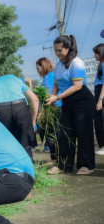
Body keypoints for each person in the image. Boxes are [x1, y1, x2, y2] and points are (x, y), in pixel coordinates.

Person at [46, 35, 95, 175]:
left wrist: (57, 97)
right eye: (55, 51)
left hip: (82, 100)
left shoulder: (76, 62)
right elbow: (56, 84)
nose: (57, 53)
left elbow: (77, 85)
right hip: (67, 101)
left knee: (83, 132)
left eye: (60, 50)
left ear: (68, 48)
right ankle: (64, 165)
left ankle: (86, 165)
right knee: (65, 133)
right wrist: (52, 96)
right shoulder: (59, 65)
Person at [0, 73, 39, 158]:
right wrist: (33, 122)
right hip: (20, 107)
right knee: (25, 145)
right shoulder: (13, 78)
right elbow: (34, 100)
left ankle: (7, 170)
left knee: (2, 146)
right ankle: (28, 170)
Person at [35, 57, 61, 164]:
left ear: (44, 66)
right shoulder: (50, 76)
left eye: (38, 68)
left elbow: (49, 96)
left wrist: (42, 113)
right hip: (55, 106)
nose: (37, 70)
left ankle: (55, 158)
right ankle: (55, 157)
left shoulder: (49, 77)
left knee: (51, 133)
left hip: (52, 108)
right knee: (51, 132)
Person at [93, 44, 104, 155]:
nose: (94, 55)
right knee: (99, 120)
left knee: (102, 119)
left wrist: (100, 99)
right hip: (98, 91)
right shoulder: (101, 65)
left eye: (96, 53)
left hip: (102, 93)